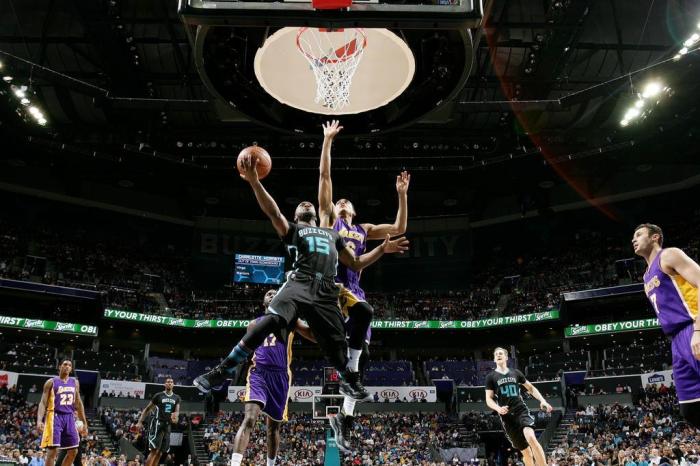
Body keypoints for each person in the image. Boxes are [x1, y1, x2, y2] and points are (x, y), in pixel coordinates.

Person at [193, 152, 408, 401]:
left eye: (309, 204)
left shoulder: (333, 234)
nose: (306, 204)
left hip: (327, 290)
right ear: (296, 217)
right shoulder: (294, 230)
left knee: (339, 349)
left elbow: (357, 262)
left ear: (316, 214)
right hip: (300, 281)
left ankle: (350, 379)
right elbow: (274, 212)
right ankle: (224, 369)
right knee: (271, 320)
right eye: (300, 206)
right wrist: (255, 182)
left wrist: (381, 249)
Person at [316, 120, 410, 451]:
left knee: (361, 360)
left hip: (354, 292)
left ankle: (345, 419)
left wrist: (402, 195)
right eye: (339, 201)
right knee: (358, 336)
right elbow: (326, 178)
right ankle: (347, 380)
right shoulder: (330, 220)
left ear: (354, 211)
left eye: (346, 202)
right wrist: (327, 141)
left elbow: (399, 226)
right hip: (331, 290)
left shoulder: (365, 229)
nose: (341, 201)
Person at [230, 289, 316, 466]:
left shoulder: (291, 320)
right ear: (263, 302)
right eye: (268, 294)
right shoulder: (254, 324)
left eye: (275, 293)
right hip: (258, 372)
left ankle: (271, 464)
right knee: (250, 419)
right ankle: (234, 463)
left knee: (273, 428)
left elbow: (313, 336)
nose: (272, 295)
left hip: (281, 376)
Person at [633, 223, 700, 427]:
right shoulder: (646, 277)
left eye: (638, 234)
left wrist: (698, 329)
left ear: (655, 237)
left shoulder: (669, 255)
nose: (633, 239)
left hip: (693, 327)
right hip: (676, 340)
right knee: (690, 409)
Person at [484, 347, 552, 466]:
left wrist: (542, 400)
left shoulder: (516, 372)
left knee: (531, 437)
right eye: (496, 354)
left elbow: (530, 388)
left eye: (501, 354)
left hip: (521, 410)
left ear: (506, 357)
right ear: (494, 359)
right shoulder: (491, 377)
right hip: (507, 417)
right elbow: (488, 399)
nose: (498, 355)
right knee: (526, 453)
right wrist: (498, 408)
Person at [37, 360, 88, 466]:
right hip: (54, 416)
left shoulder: (75, 382)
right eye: (65, 364)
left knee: (74, 451)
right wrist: (39, 420)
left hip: (69, 417)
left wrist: (84, 423)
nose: (67, 366)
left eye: (70, 365)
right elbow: (42, 402)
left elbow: (78, 404)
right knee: (52, 451)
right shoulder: (51, 382)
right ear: (60, 367)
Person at [135, 377, 181, 466]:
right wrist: (140, 421)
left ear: (173, 384)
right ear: (165, 384)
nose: (170, 383)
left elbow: (177, 412)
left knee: (160, 452)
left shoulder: (177, 398)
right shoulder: (158, 395)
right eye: (168, 382)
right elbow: (147, 409)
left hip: (167, 425)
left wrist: (176, 418)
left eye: (171, 382)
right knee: (154, 451)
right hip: (157, 423)